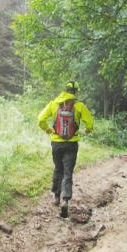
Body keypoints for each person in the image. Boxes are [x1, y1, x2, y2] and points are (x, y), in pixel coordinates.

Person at [37, 81, 94, 218]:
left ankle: (56, 197)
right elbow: (90, 124)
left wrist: (48, 129)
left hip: (56, 142)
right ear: (75, 92)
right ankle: (65, 200)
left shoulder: (54, 104)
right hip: (72, 144)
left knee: (58, 168)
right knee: (68, 172)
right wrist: (86, 130)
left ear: (65, 90)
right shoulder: (79, 106)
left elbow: (40, 119)